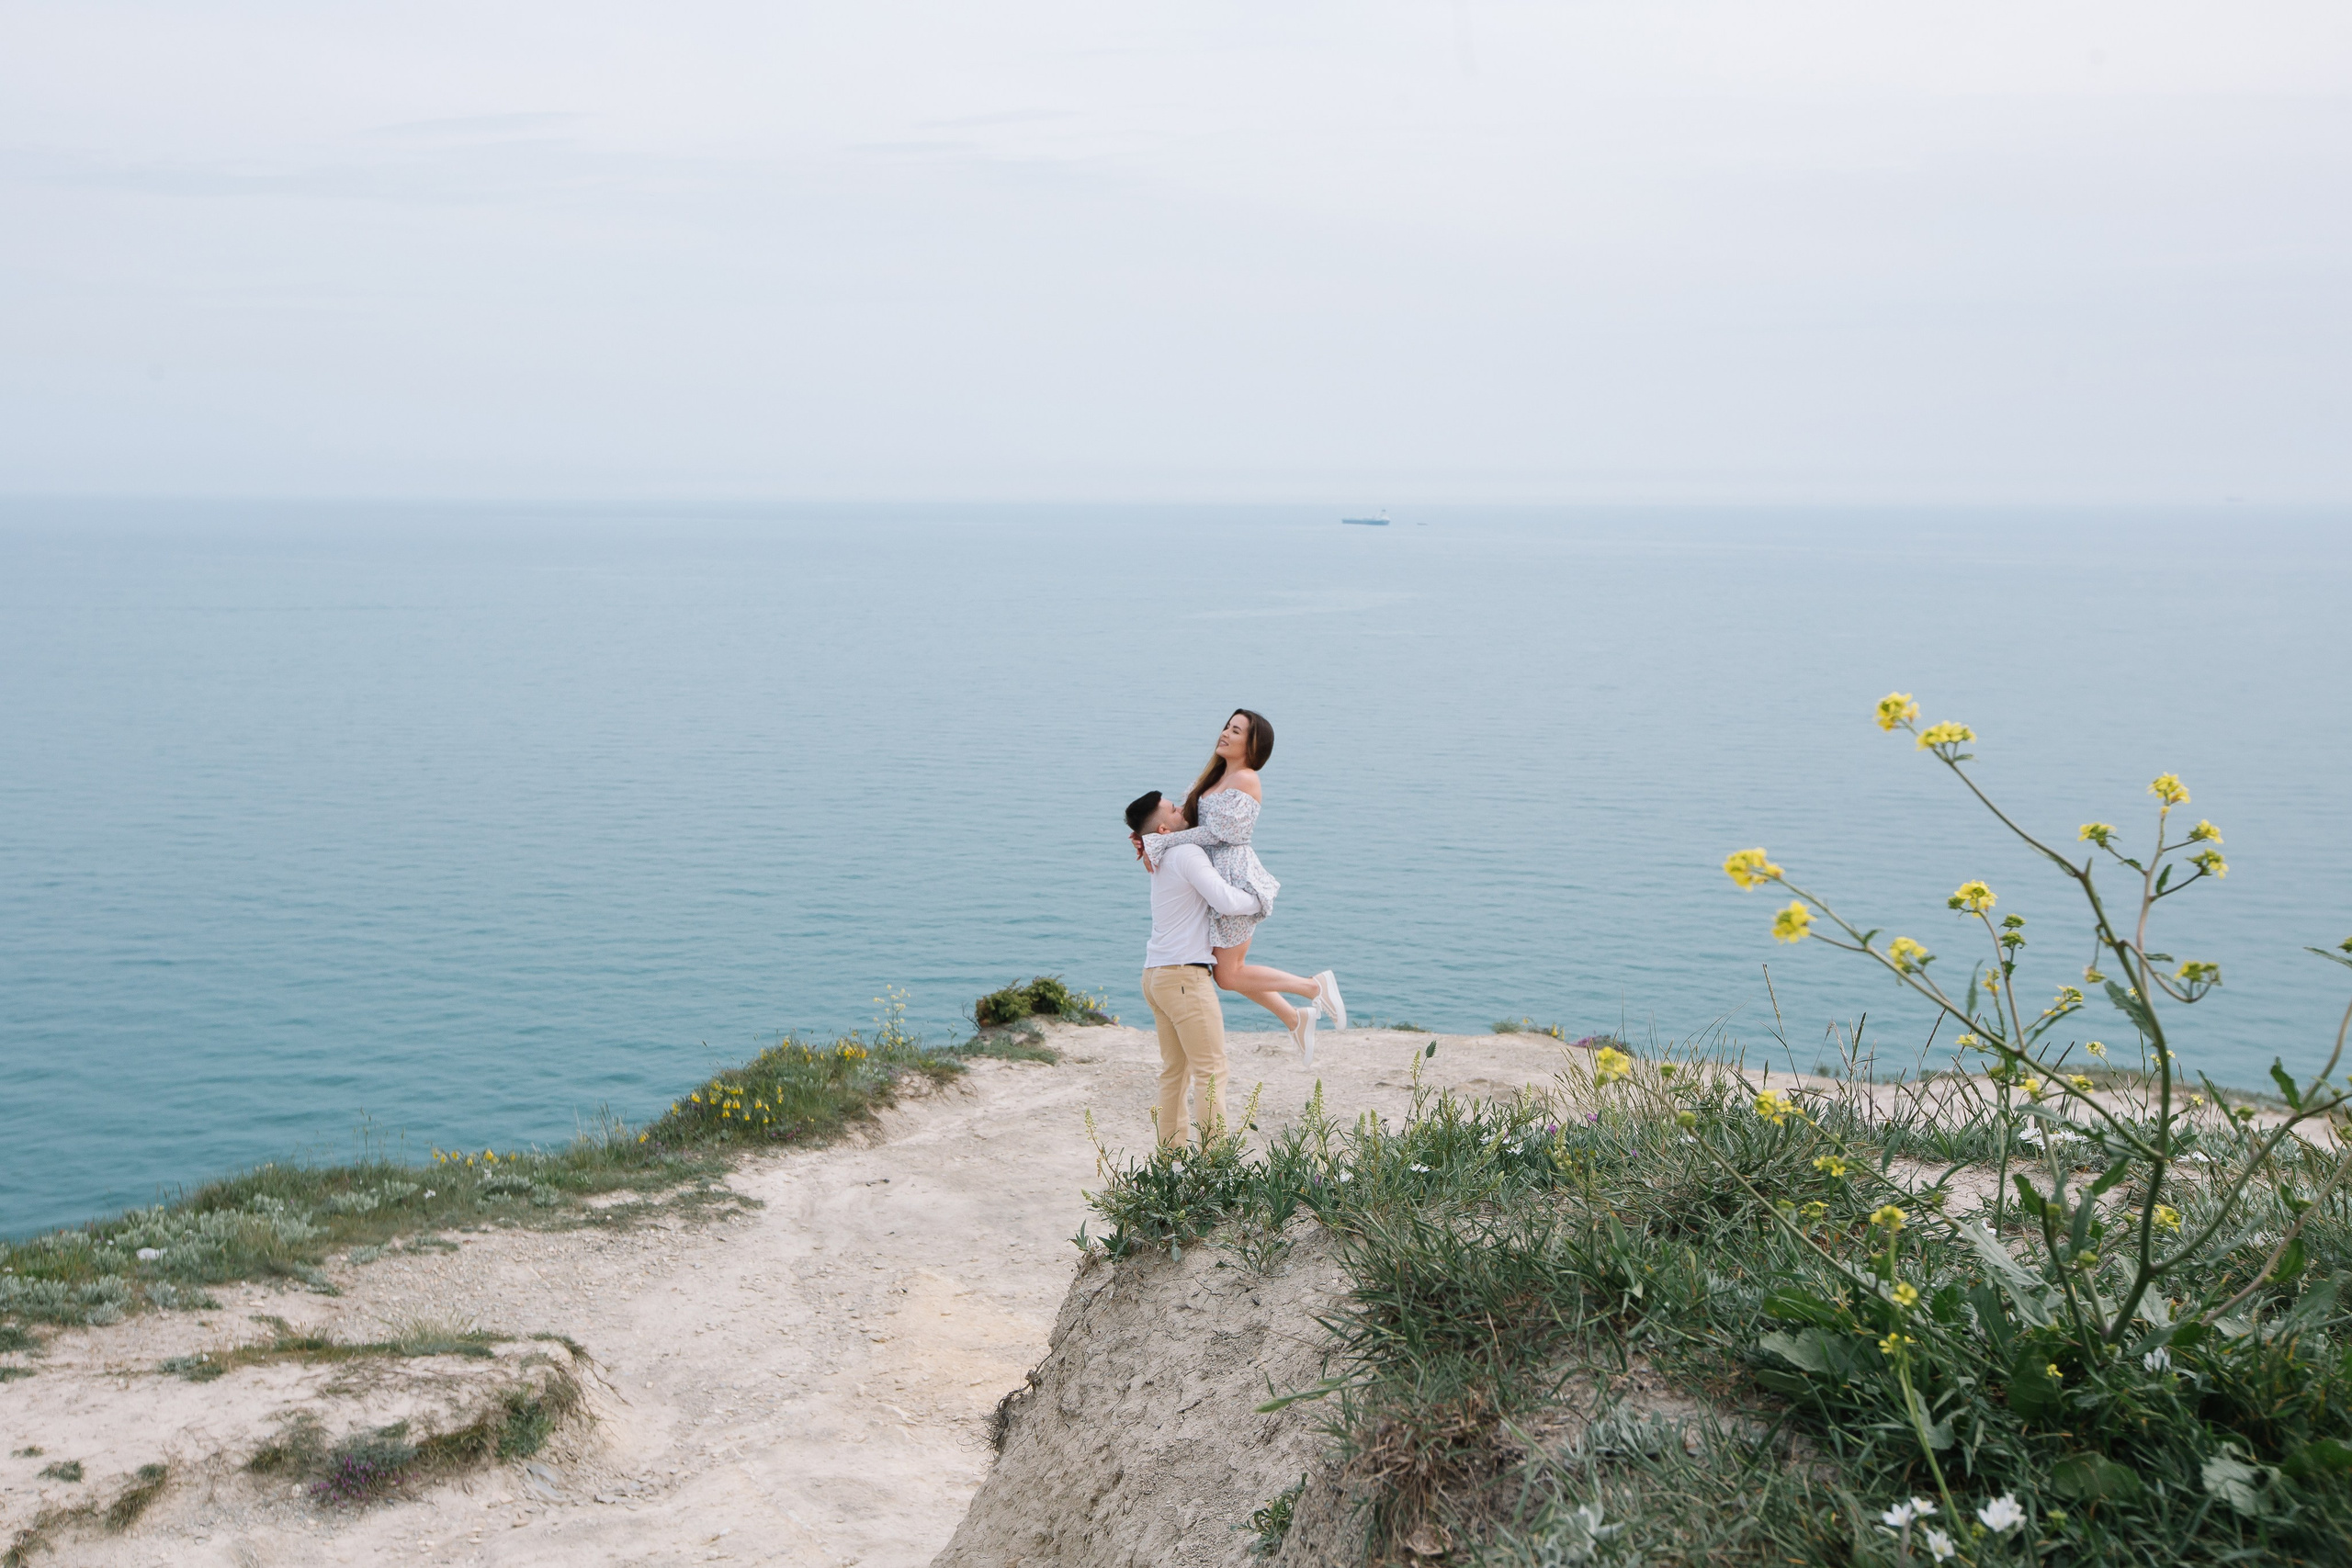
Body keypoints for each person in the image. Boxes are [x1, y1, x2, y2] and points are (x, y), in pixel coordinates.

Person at [1135, 708, 1343, 1059]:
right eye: (1227, 727)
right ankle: (1295, 1019)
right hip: (1211, 877)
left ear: (1252, 745)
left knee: (1229, 975)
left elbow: (1222, 834)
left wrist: (1162, 842)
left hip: (1235, 877)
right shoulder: (1212, 777)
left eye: (1236, 731)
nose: (1225, 734)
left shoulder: (1247, 779)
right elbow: (1183, 821)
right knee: (1229, 972)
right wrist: (1147, 840)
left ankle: (1313, 987)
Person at [1125, 788, 1265, 1146]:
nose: (1181, 809)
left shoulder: (1161, 854)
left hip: (1155, 976)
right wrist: (1260, 899)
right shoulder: (1186, 852)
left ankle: (1170, 1159)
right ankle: (1213, 1162)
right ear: (1163, 830)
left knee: (1174, 1072)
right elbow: (1225, 900)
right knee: (1211, 1071)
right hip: (1184, 977)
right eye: (1173, 809)